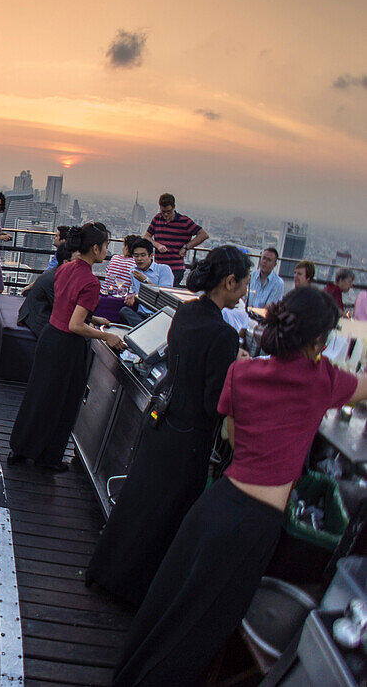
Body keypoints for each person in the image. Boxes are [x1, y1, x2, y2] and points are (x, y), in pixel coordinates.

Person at [115, 287, 367, 686]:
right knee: (203, 624)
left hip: (215, 505)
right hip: (254, 524)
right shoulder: (321, 379)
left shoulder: (242, 372)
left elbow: (231, 433)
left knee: (169, 604)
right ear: (319, 341)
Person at [86, 246, 250, 607]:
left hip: (161, 419)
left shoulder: (187, 312)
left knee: (137, 502)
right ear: (229, 281)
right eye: (243, 283)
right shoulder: (224, 335)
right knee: (163, 514)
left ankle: (103, 570)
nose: (245, 290)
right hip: (188, 436)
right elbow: (214, 402)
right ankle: (131, 588)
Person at [7, 223, 125, 472]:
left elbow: (65, 307)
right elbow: (75, 325)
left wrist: (93, 319)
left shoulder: (65, 268)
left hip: (49, 338)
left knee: (38, 396)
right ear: (95, 248)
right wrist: (106, 338)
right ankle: (48, 458)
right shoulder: (91, 282)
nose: (107, 250)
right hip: (67, 347)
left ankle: (21, 448)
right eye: (105, 246)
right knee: (62, 402)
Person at [143, 193, 209, 286]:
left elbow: (203, 235)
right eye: (163, 211)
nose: (166, 214)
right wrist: (158, 245)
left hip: (175, 268)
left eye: (168, 211)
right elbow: (146, 236)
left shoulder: (184, 221)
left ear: (174, 207)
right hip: (158, 266)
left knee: (167, 296)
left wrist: (186, 247)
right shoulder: (157, 218)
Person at [18, 243, 75, 338]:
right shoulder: (56, 279)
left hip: (38, 313)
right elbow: (62, 309)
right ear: (66, 262)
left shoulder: (57, 272)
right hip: (37, 319)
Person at [118, 238, 173, 326]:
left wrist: (146, 281)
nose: (139, 259)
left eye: (143, 255)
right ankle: (144, 328)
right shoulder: (134, 271)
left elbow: (165, 297)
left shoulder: (163, 269)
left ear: (151, 256)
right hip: (141, 315)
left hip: (157, 315)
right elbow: (136, 292)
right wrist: (133, 296)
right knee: (124, 311)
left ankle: (143, 328)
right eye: (136, 256)